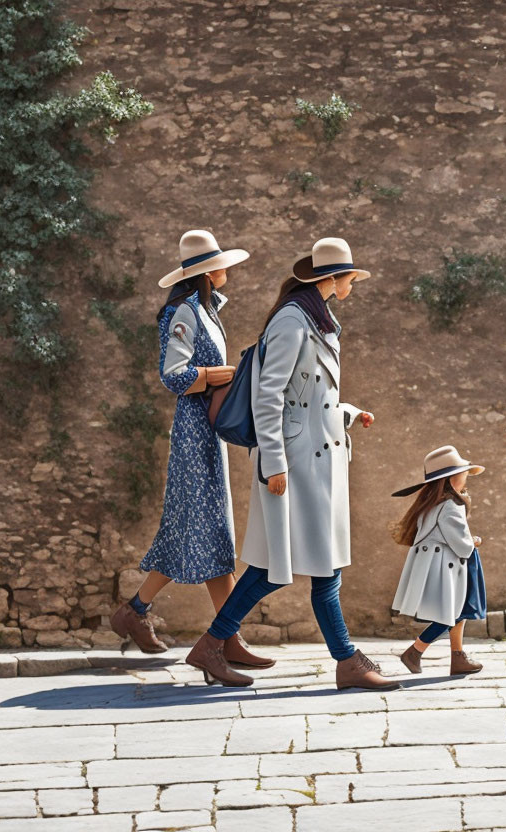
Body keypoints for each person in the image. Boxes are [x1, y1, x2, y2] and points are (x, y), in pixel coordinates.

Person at [185, 237, 396, 691]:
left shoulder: (317, 318)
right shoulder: (292, 320)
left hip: (317, 459)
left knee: (317, 566)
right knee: (287, 567)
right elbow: (269, 394)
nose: (353, 284)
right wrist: (275, 464)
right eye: (350, 277)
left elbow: (312, 399)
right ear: (330, 279)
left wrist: (347, 413)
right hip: (295, 463)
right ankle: (342, 660)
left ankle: (217, 645)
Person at [109, 230, 273, 670]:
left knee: (202, 531)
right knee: (209, 531)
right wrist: (229, 374)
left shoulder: (205, 310)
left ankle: (140, 613)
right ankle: (222, 639)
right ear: (205, 271)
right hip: (193, 433)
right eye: (222, 264)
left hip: (206, 432)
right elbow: (175, 376)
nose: (228, 270)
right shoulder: (184, 312)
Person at [390, 445, 489, 676]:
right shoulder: (451, 506)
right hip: (450, 567)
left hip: (441, 566)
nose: (466, 478)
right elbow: (462, 545)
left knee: (459, 611)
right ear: (453, 478)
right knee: (451, 615)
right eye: (463, 473)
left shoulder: (432, 505)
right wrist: (474, 541)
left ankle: (458, 657)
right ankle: (415, 651)